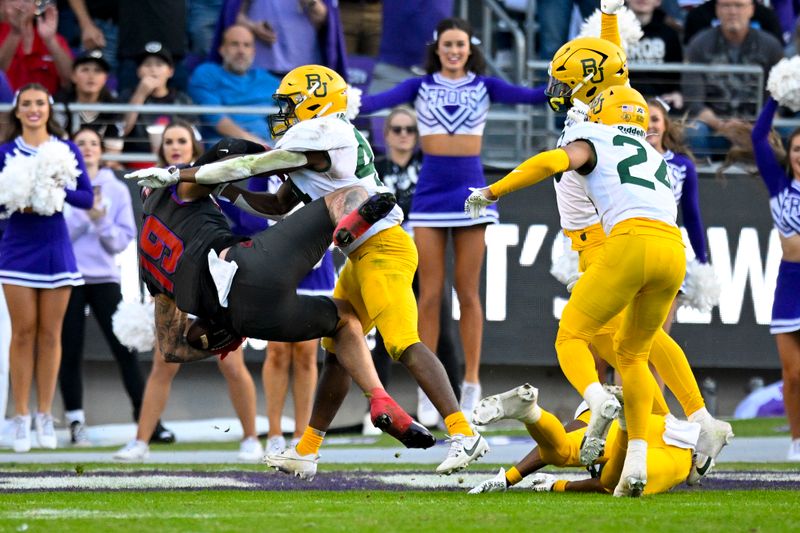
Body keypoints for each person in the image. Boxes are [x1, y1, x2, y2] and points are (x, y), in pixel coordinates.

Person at [156, 64, 484, 477]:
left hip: (383, 246)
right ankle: (307, 449)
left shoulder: (326, 130)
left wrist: (183, 175)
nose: (283, 111)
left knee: (402, 344)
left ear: (317, 102)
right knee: (340, 343)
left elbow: (256, 166)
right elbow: (276, 205)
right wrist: (223, 190)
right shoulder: (316, 147)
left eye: (290, 103)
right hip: (360, 253)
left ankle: (464, 433)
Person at [466, 85, 688, 496]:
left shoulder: (597, 138)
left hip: (624, 243)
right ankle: (659, 439)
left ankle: (591, 399)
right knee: (636, 354)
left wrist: (494, 190)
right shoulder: (656, 157)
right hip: (672, 251)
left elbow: (553, 161)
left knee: (573, 338)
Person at [357, 18, 549, 416]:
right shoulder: (419, 86)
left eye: (460, 44)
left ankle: (471, 383)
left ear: (470, 47)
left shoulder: (484, 85)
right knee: (428, 295)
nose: (454, 51)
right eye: (447, 44)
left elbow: (532, 97)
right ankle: (429, 390)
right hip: (429, 193)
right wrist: (340, 100)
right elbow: (372, 102)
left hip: (471, 193)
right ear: (437, 47)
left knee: (468, 292)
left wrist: (568, 85)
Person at [113, 121, 261, 461]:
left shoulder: (199, 180)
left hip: (204, 278)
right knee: (164, 362)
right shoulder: (152, 184)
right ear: (160, 148)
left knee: (232, 363)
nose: (175, 146)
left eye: (182, 140)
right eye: (169, 141)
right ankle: (141, 441)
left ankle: (251, 437)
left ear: (194, 147)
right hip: (171, 282)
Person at [0, 83, 93, 452]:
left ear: (48, 109)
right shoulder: (6, 152)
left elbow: (86, 197)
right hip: (17, 248)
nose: (34, 109)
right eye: (27, 104)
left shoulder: (65, 150)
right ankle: (20, 416)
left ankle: (43, 413)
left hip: (56, 249)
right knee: (22, 334)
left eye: (40, 103)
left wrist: (58, 189)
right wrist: (13, 201)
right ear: (18, 111)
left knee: (51, 335)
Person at [218, 174, 336, 456]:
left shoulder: (320, 167)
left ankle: (301, 435)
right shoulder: (268, 170)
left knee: (307, 354)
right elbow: (251, 220)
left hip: (315, 267)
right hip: (277, 263)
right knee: (278, 352)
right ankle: (274, 433)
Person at [369, 106, 460, 429]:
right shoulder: (375, 168)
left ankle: (454, 406)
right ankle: (377, 409)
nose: (404, 135)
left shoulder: (429, 167)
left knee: (442, 329)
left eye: (410, 129)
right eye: (397, 129)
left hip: (425, 255)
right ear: (386, 133)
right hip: (387, 256)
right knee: (382, 333)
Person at [59, 127, 143, 446]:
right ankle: (75, 422)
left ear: (101, 150)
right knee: (69, 350)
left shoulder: (117, 189)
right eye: (81, 144)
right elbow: (59, 238)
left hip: (106, 278)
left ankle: (146, 418)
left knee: (125, 347)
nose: (88, 149)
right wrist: (86, 215)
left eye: (93, 144)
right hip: (69, 277)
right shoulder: (61, 186)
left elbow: (119, 242)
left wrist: (100, 220)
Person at [468, 384, 700, 496]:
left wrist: (558, 485)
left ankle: (531, 414)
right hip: (661, 434)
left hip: (675, 449)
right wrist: (510, 479)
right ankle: (529, 413)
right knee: (612, 477)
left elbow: (599, 483)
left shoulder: (589, 414)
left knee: (615, 483)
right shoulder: (594, 411)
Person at [751, 95, 800, 461]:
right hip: (788, 284)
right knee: (793, 374)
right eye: (797, 149)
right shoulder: (779, 187)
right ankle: (797, 442)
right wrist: (775, 95)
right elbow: (757, 136)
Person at [682, 0, 783, 160]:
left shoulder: (770, 46)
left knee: (787, 130)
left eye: (738, 5)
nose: (732, 11)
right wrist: (723, 126)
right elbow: (694, 101)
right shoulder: (699, 44)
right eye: (726, 5)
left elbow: (779, 97)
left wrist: (758, 127)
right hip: (715, 127)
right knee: (694, 131)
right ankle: (701, 181)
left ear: (751, 9)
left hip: (760, 124)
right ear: (717, 10)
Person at [646, 98, 709, 333]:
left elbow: (692, 217)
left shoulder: (682, 166)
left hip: (667, 253)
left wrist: (702, 260)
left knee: (659, 339)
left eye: (655, 119)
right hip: (629, 247)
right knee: (627, 345)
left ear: (665, 124)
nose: (649, 125)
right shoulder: (621, 160)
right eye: (642, 119)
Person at [189, 24, 281, 146]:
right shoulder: (207, 74)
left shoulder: (268, 80)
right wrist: (256, 143)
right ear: (222, 49)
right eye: (234, 44)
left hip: (269, 148)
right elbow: (214, 117)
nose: (241, 51)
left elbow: (288, 113)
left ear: (253, 52)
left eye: (246, 45)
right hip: (225, 150)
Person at [121, 43, 194, 157]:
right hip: (136, 161)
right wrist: (140, 94)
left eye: (159, 64)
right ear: (138, 71)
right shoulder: (127, 96)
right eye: (147, 64)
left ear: (170, 71)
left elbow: (193, 138)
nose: (153, 69)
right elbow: (121, 130)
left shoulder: (183, 100)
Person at [54, 49, 124, 161]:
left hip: (100, 167)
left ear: (105, 78)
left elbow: (113, 154)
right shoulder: (60, 103)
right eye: (85, 70)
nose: (91, 76)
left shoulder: (114, 107)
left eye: (98, 71)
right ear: (73, 76)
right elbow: (56, 147)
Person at [0, 0, 73, 93]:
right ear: (2, 4)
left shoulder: (52, 37)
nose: (21, 5)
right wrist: (15, 33)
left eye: (27, 1)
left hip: (46, 105)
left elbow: (71, 80)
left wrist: (50, 41)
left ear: (35, 6)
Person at [627, 0, 685, 109]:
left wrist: (676, 92)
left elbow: (676, 72)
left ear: (658, 1)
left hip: (660, 101)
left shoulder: (669, 33)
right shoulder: (611, 30)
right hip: (620, 98)